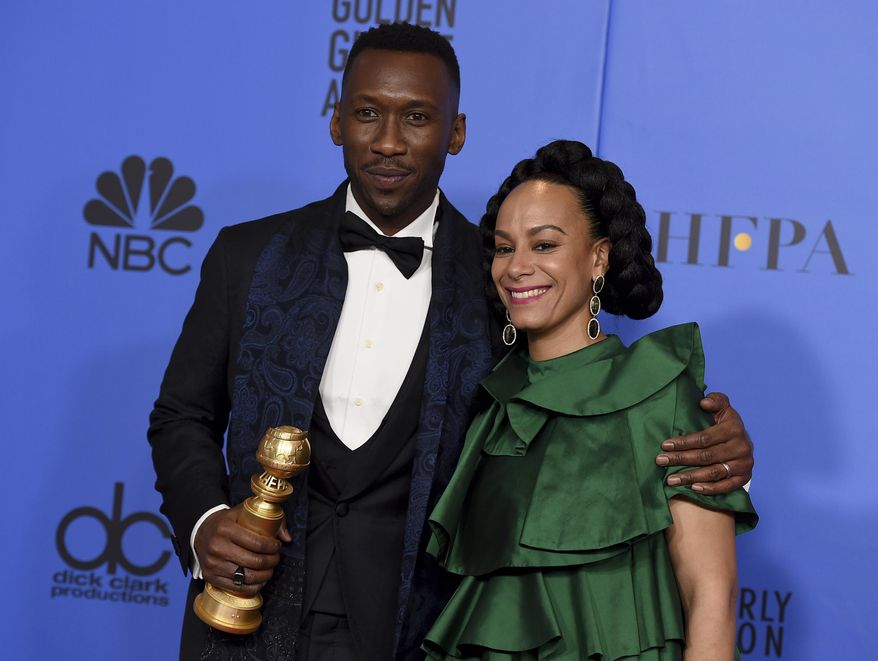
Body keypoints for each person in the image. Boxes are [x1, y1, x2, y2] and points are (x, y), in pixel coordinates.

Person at [148, 23, 755, 661]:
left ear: (456, 132)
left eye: (416, 117)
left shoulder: (502, 279)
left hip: (416, 631)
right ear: (336, 123)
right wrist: (205, 524)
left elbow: (577, 405)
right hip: (244, 619)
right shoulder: (247, 256)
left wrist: (721, 449)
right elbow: (181, 416)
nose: (387, 141)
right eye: (365, 114)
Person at [422, 140, 758, 660]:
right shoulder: (492, 403)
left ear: (598, 257)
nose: (516, 268)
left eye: (545, 245)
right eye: (505, 247)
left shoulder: (659, 390)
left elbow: (711, 597)